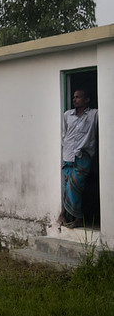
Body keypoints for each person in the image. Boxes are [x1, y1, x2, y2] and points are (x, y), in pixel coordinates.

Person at [58, 89, 98, 228]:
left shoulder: (93, 114)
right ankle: (63, 215)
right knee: (66, 186)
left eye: (78, 97)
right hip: (68, 155)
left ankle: (78, 217)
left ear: (87, 100)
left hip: (83, 156)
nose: (74, 99)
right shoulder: (67, 115)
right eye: (74, 97)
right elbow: (64, 134)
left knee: (74, 187)